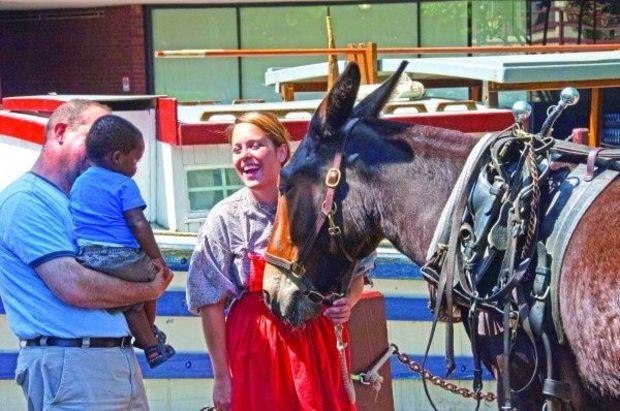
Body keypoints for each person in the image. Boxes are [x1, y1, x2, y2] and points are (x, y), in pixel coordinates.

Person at [186, 112, 374, 411]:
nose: (245, 156)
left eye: (255, 145)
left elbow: (356, 273)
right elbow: (210, 303)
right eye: (237, 149)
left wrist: (348, 302)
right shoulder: (225, 217)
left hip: (317, 344)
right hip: (256, 347)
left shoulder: (321, 206)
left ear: (282, 151)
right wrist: (221, 377)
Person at [0, 99, 173, 411]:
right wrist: (150, 289)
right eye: (95, 134)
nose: (103, 145)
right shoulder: (26, 201)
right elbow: (73, 285)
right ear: (61, 132)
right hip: (73, 364)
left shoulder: (81, 199)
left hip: (110, 362)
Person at [70, 114, 175, 368]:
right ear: (117, 158)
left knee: (131, 303)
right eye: (136, 159)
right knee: (154, 280)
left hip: (88, 258)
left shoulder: (79, 183)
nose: (137, 167)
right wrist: (157, 258)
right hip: (121, 256)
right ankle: (150, 338)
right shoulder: (123, 184)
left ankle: (150, 344)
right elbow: (139, 223)